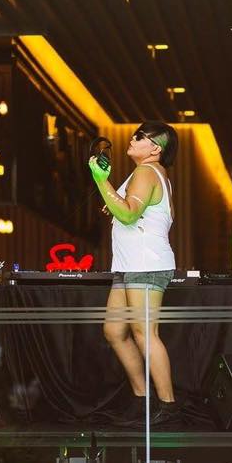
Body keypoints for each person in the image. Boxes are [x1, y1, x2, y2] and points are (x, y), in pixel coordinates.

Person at [88, 122, 178, 425]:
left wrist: (101, 181)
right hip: (130, 264)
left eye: (140, 137)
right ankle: (143, 400)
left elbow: (128, 213)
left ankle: (168, 408)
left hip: (146, 264)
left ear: (155, 148)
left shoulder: (147, 172)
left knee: (145, 334)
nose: (132, 138)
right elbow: (137, 211)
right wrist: (112, 196)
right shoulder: (146, 174)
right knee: (115, 331)